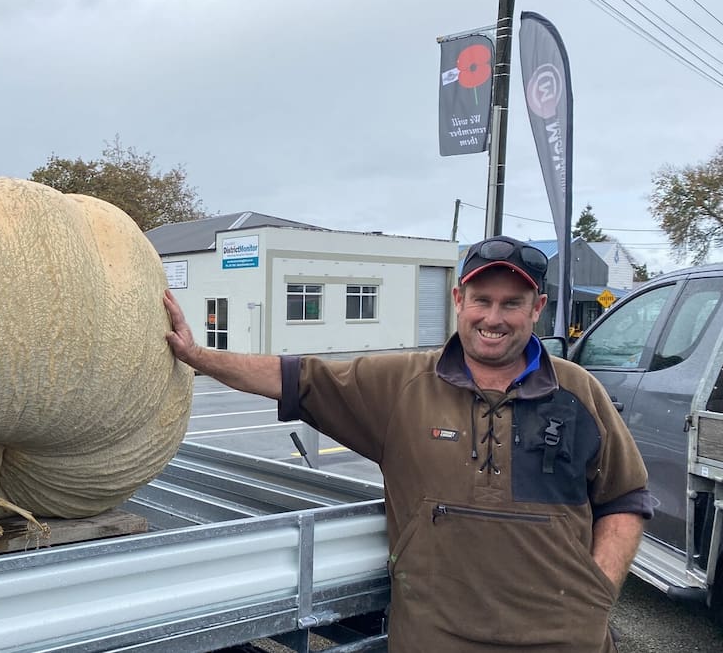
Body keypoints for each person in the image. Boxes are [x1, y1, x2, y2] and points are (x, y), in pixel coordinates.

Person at [163, 235, 651, 653]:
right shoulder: (402, 385)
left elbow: (624, 498)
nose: (494, 318)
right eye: (482, 300)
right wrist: (197, 354)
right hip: (432, 637)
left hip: (564, 640)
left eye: (511, 304)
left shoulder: (578, 391)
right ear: (459, 299)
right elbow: (295, 378)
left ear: (537, 308)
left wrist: (597, 593)